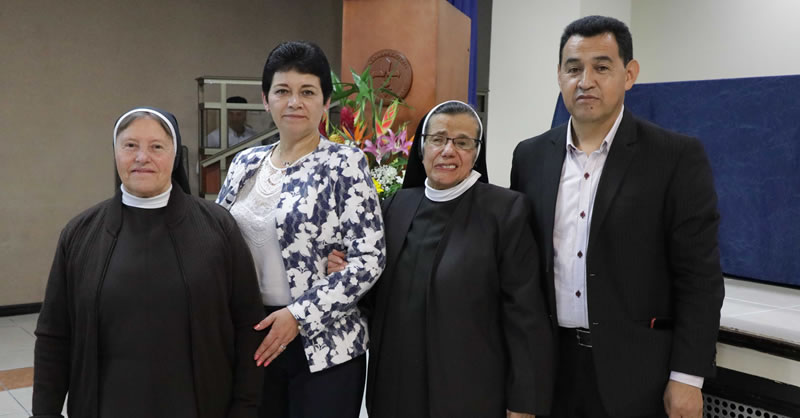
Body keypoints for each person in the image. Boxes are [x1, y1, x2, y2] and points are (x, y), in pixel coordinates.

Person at [510, 15, 725, 418]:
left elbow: (700, 276)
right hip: (550, 370)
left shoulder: (674, 157)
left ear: (629, 74)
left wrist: (688, 376)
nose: (585, 80)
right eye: (573, 68)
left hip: (639, 375)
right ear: (559, 75)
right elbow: (522, 275)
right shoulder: (529, 156)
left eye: (601, 67)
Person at [32, 107, 265, 418]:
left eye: (156, 146)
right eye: (130, 146)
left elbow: (248, 325)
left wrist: (245, 408)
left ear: (175, 155)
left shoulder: (217, 227)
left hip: (198, 405)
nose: (142, 157)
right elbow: (54, 335)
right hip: (106, 406)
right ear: (115, 152)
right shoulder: (80, 234)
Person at [330, 100, 554, 418]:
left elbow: (525, 314)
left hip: (469, 392)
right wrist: (348, 274)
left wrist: (523, 402)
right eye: (438, 139)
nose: (448, 150)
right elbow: (376, 297)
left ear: (476, 152)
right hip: (396, 387)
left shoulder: (505, 212)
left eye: (462, 142)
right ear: (422, 148)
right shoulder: (395, 206)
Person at [216, 41, 386, 418]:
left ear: (325, 103)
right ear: (266, 99)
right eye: (282, 91)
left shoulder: (345, 162)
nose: (294, 102)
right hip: (252, 336)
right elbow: (215, 240)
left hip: (324, 347)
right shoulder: (245, 162)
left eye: (307, 92)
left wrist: (298, 316)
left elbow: (369, 259)